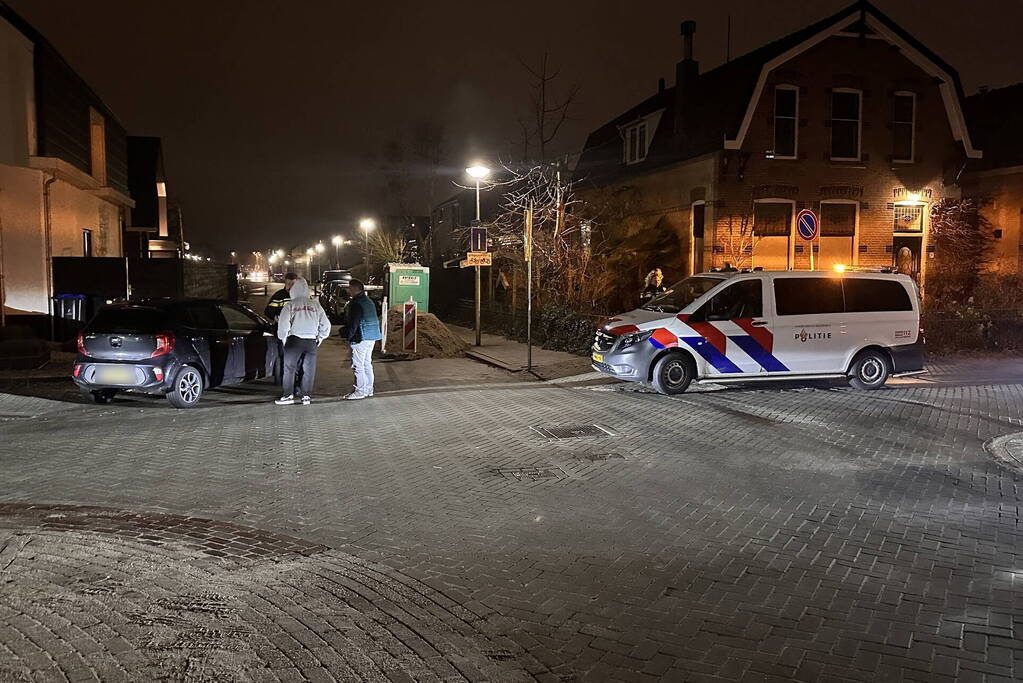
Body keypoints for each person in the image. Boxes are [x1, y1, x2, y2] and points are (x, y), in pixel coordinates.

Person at [274, 278, 331, 405]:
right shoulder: (316, 305)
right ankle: (306, 396)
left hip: (294, 340)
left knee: (289, 368)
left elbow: (283, 325)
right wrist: (320, 337)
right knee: (309, 370)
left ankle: (288, 395)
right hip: (311, 341)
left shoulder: (290, 305)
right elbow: (326, 324)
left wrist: (283, 338)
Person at [343, 279, 381, 400]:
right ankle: (369, 389)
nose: (348, 291)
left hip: (362, 336)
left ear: (354, 289)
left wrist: (348, 337)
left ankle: (360, 391)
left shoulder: (357, 303)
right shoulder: (368, 301)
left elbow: (354, 322)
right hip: (373, 335)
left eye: (349, 288)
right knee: (367, 364)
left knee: (358, 365)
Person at [264, 272, 297, 384]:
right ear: (285, 283)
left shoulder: (301, 296)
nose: (290, 287)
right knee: (283, 356)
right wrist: (275, 316)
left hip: (296, 332)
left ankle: (295, 380)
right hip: (282, 331)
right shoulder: (279, 296)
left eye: (293, 284)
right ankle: (283, 379)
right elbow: (268, 311)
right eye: (289, 284)